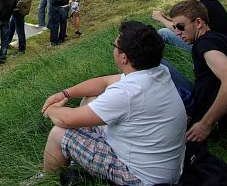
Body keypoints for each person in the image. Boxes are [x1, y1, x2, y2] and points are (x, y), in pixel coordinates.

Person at [37, 22, 186, 185]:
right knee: (90, 99)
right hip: (163, 167)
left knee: (59, 133)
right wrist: (65, 94)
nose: (113, 50)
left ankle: (47, 179)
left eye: (115, 46)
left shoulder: (127, 93)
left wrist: (51, 109)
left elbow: (66, 120)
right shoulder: (157, 71)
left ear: (124, 57)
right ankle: (75, 158)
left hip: (141, 179)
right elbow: (105, 82)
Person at [165, 0, 227, 140]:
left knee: (157, 64)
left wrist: (206, 123)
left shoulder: (204, 45)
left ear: (198, 23)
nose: (177, 33)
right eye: (174, 27)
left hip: (204, 111)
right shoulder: (225, 39)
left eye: (180, 27)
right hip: (224, 112)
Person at [153, 0, 227, 51]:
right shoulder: (213, 3)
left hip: (210, 47)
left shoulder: (201, 8)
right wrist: (168, 18)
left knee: (164, 33)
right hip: (223, 43)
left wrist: (161, 18)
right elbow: (187, 21)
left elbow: (181, 29)